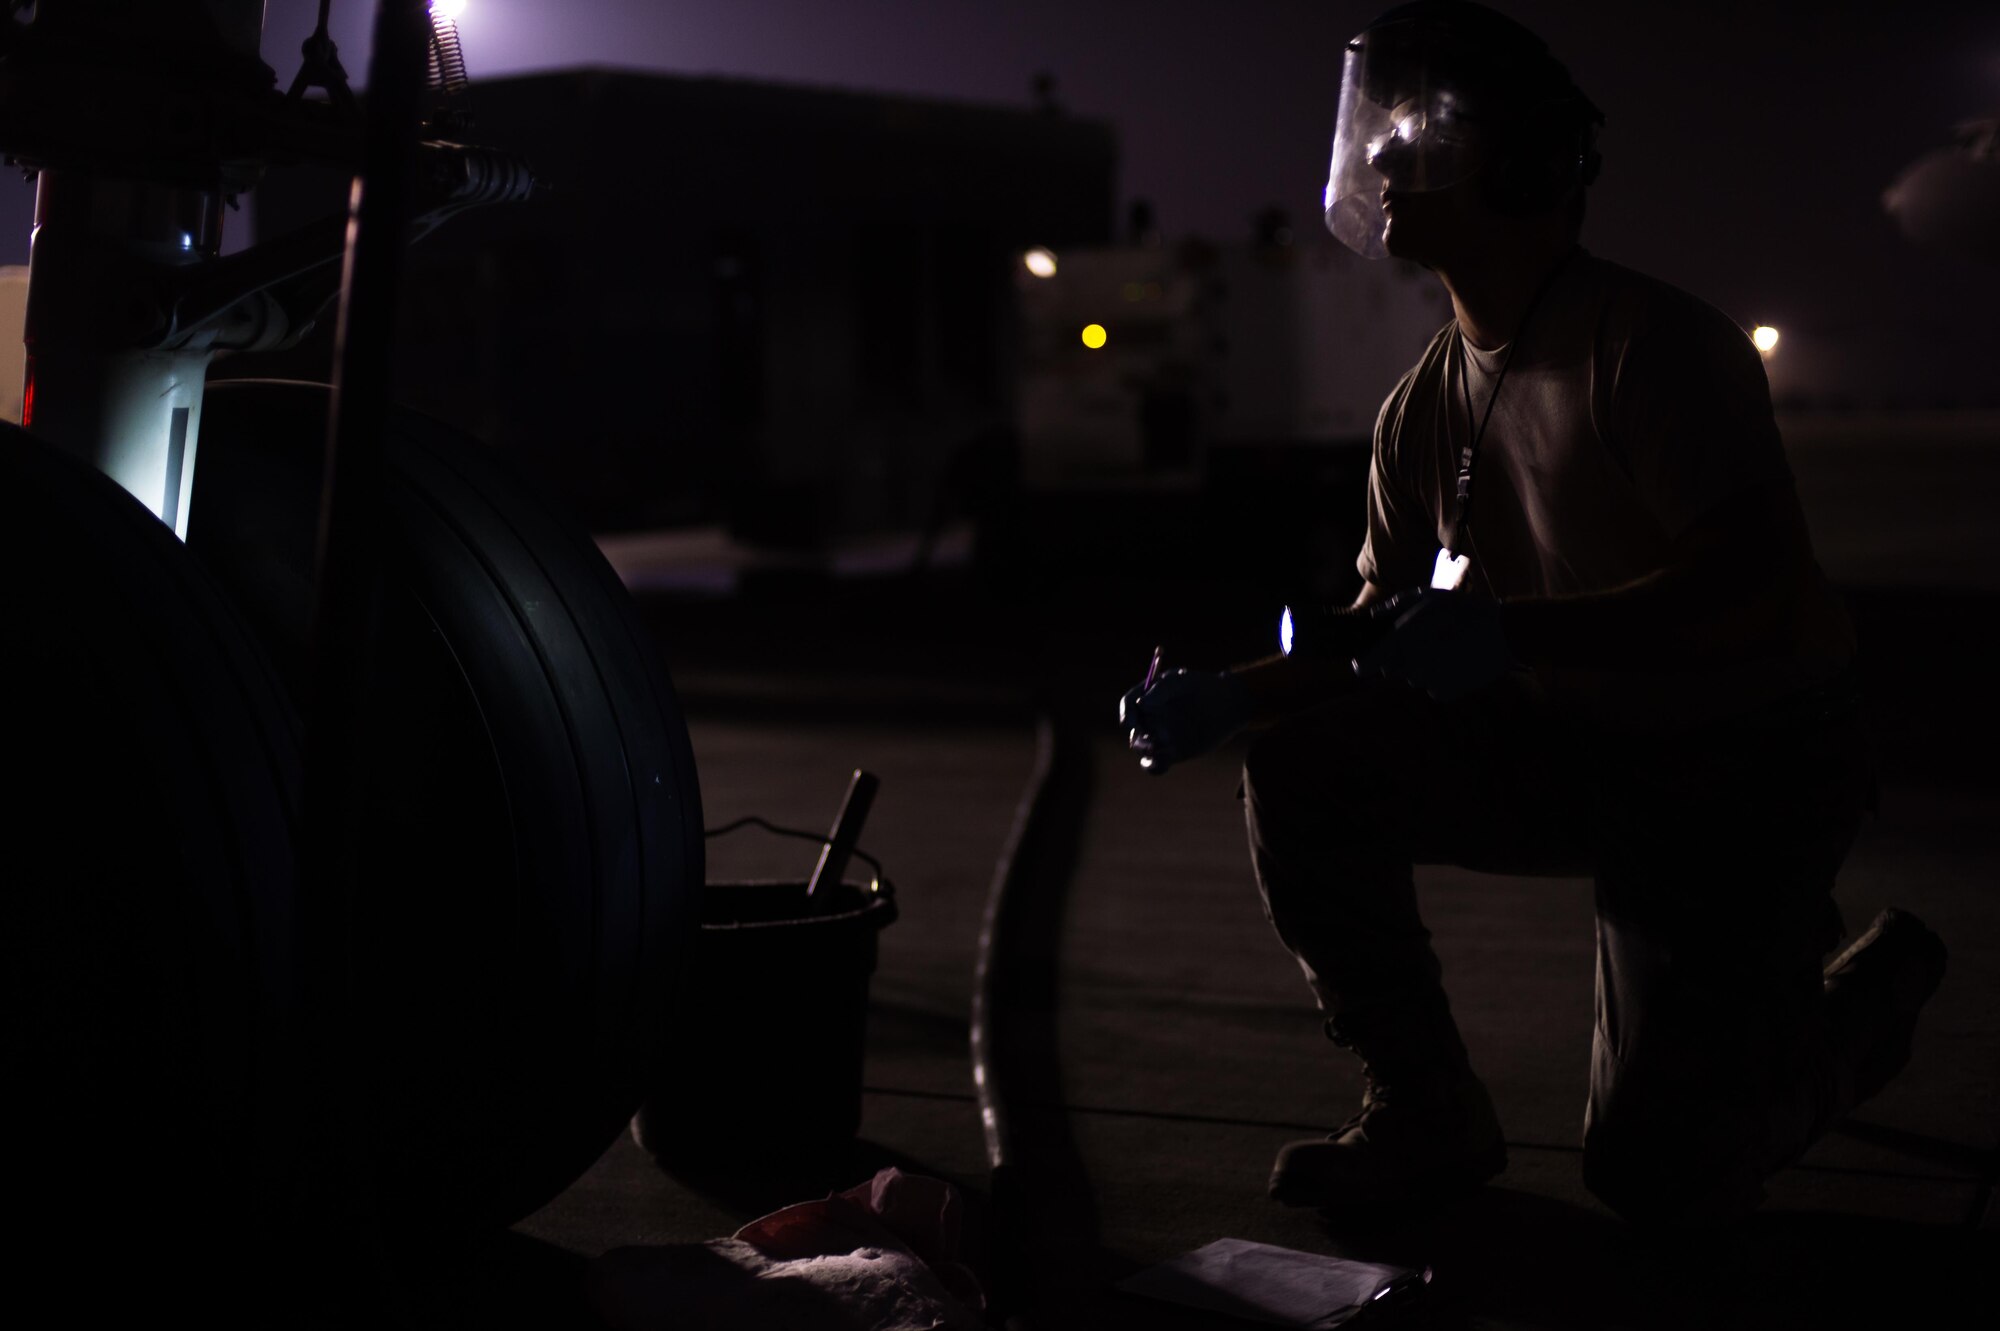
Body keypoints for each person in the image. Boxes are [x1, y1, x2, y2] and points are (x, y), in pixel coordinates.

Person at [1119, 0, 1947, 1227]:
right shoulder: (1419, 405)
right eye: (1380, 136)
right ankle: (1423, 1108)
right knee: (1301, 767)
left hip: (1744, 769)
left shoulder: (1650, 346)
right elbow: (1373, 624)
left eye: (1424, 137)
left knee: (1659, 1174)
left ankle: (1865, 991)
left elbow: (1751, 590)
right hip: (1582, 749)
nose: (1385, 164)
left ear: (1521, 165)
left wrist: (1514, 633)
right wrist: (1232, 695)